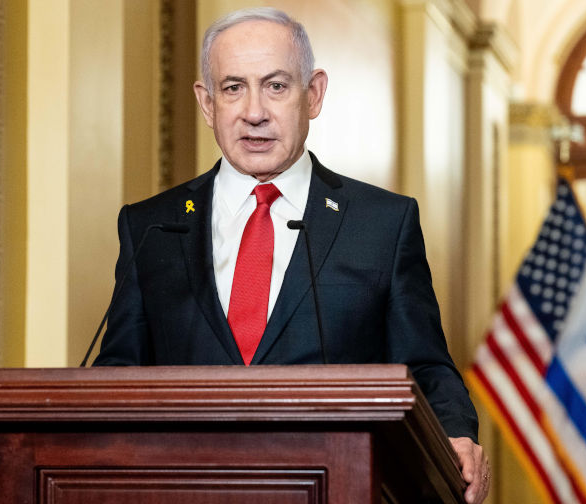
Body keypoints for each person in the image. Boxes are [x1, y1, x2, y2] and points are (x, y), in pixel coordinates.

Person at [94, 7, 490, 503]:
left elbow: (427, 367)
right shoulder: (150, 226)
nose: (254, 111)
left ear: (314, 93)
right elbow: (118, 379)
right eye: (233, 87)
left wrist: (456, 434)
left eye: (276, 86)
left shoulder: (382, 224)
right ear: (206, 101)